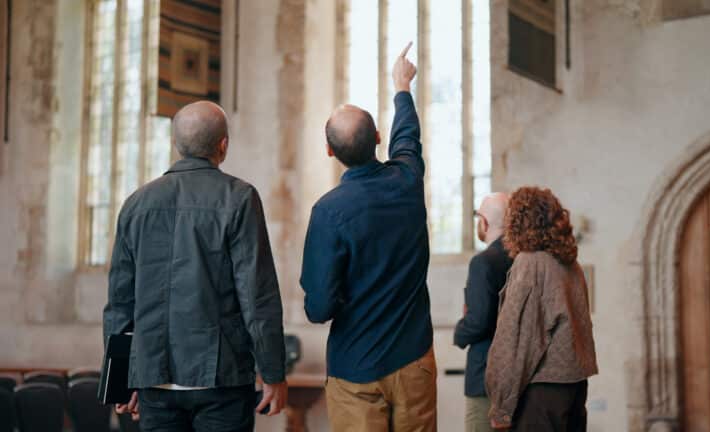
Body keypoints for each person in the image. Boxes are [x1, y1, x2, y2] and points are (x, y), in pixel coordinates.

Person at [104, 101, 288, 431]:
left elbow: (120, 303)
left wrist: (120, 379)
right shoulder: (239, 198)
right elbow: (256, 296)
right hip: (221, 378)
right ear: (224, 145)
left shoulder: (136, 204)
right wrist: (273, 373)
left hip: (153, 380)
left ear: (177, 145)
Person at [300, 42, 437, 432]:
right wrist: (401, 87)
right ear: (378, 137)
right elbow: (408, 139)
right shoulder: (406, 181)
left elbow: (319, 307)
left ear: (329, 151)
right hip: (414, 361)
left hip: (355, 366)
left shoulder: (328, 212)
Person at [486, 187, 598, 431]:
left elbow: (517, 340)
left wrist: (502, 407)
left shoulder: (531, 262)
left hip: (542, 394)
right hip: (574, 386)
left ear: (517, 221)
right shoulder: (570, 263)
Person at [454, 193, 513, 432]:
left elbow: (480, 320)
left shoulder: (484, 262)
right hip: (514, 372)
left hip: (486, 372)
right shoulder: (519, 258)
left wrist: (459, 333)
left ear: (485, 223)